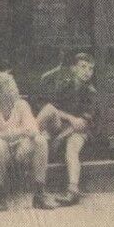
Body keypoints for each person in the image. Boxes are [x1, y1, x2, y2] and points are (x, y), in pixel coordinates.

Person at [0, 71, 57, 212]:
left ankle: (39, 194)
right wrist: (19, 132)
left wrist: (23, 133)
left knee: (40, 141)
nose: (16, 90)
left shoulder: (22, 105)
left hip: (19, 149)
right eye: (12, 87)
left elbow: (33, 130)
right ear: (0, 92)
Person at [37, 52, 97, 206]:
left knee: (72, 148)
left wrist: (61, 136)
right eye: (83, 67)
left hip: (79, 132)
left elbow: (82, 123)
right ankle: (32, 135)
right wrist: (69, 118)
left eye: (90, 69)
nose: (87, 72)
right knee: (49, 110)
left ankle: (73, 190)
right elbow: (52, 108)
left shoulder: (90, 92)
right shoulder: (65, 85)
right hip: (62, 126)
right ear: (73, 68)